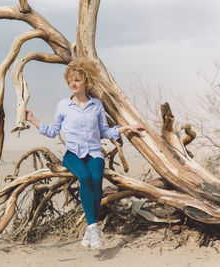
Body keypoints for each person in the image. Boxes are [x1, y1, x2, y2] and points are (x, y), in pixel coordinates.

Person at [25, 59, 144, 249]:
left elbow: (105, 131)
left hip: (94, 152)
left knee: (97, 178)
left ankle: (91, 230)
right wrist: (33, 119)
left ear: (86, 82)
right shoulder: (63, 105)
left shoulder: (96, 105)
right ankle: (93, 227)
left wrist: (127, 128)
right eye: (70, 80)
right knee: (85, 177)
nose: (73, 83)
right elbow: (52, 131)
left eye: (77, 80)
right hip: (72, 154)